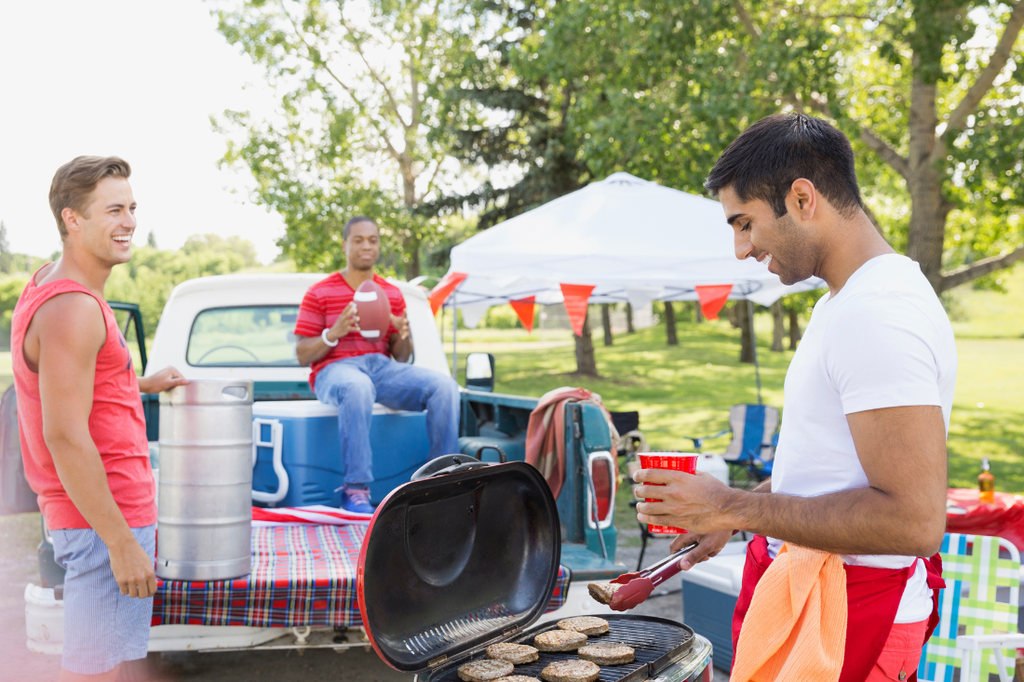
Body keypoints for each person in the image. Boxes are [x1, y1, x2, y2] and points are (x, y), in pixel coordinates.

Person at [635, 114, 954, 680]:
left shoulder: (877, 312)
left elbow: (914, 520)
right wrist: (732, 516)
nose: (741, 248)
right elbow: (824, 471)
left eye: (745, 223)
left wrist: (731, 506)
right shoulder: (844, 302)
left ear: (802, 198)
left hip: (854, 621)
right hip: (821, 607)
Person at [12, 156, 188, 681]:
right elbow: (65, 435)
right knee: (95, 672)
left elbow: (74, 387)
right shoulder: (74, 309)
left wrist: (140, 383)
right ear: (73, 220)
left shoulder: (49, 282)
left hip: (100, 512)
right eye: (114, 209)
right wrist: (121, 543)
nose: (130, 221)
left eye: (132, 208)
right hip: (100, 518)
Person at [294, 216, 460, 514]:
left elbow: (400, 355)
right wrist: (334, 333)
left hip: (381, 368)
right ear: (345, 245)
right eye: (358, 240)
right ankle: (355, 490)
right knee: (358, 386)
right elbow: (303, 354)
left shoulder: (391, 293)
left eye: (373, 239)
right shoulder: (320, 292)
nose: (366, 246)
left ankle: (442, 482)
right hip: (335, 370)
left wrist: (400, 333)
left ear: (379, 245)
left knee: (445, 387)